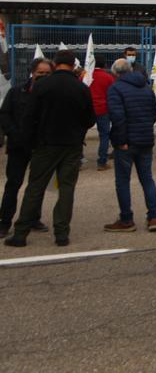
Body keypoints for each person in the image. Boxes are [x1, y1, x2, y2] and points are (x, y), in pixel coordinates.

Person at [4, 50, 95, 248]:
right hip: (71, 145)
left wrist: (29, 141)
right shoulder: (81, 89)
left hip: (45, 144)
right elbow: (90, 119)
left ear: (55, 64)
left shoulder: (42, 86)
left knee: (35, 188)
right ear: (72, 65)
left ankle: (20, 234)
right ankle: (62, 234)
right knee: (66, 189)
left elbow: (29, 116)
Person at [103, 58, 156, 232]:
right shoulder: (146, 87)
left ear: (115, 73)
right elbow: (154, 114)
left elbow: (117, 117)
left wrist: (121, 141)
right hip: (145, 140)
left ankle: (126, 220)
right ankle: (153, 218)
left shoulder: (115, 89)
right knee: (147, 179)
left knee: (122, 181)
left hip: (126, 143)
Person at [0, 58, 53, 238]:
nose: (43, 76)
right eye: (40, 73)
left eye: (47, 74)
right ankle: (5, 222)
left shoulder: (51, 96)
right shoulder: (16, 92)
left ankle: (32, 218)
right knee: (13, 184)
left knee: (37, 186)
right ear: (32, 72)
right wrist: (14, 133)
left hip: (40, 147)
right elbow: (4, 115)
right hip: (18, 147)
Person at [88, 58, 116, 171]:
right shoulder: (108, 77)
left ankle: (78, 160)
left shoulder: (86, 76)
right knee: (104, 135)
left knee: (80, 135)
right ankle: (102, 162)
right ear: (104, 65)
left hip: (88, 109)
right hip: (103, 109)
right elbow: (113, 93)